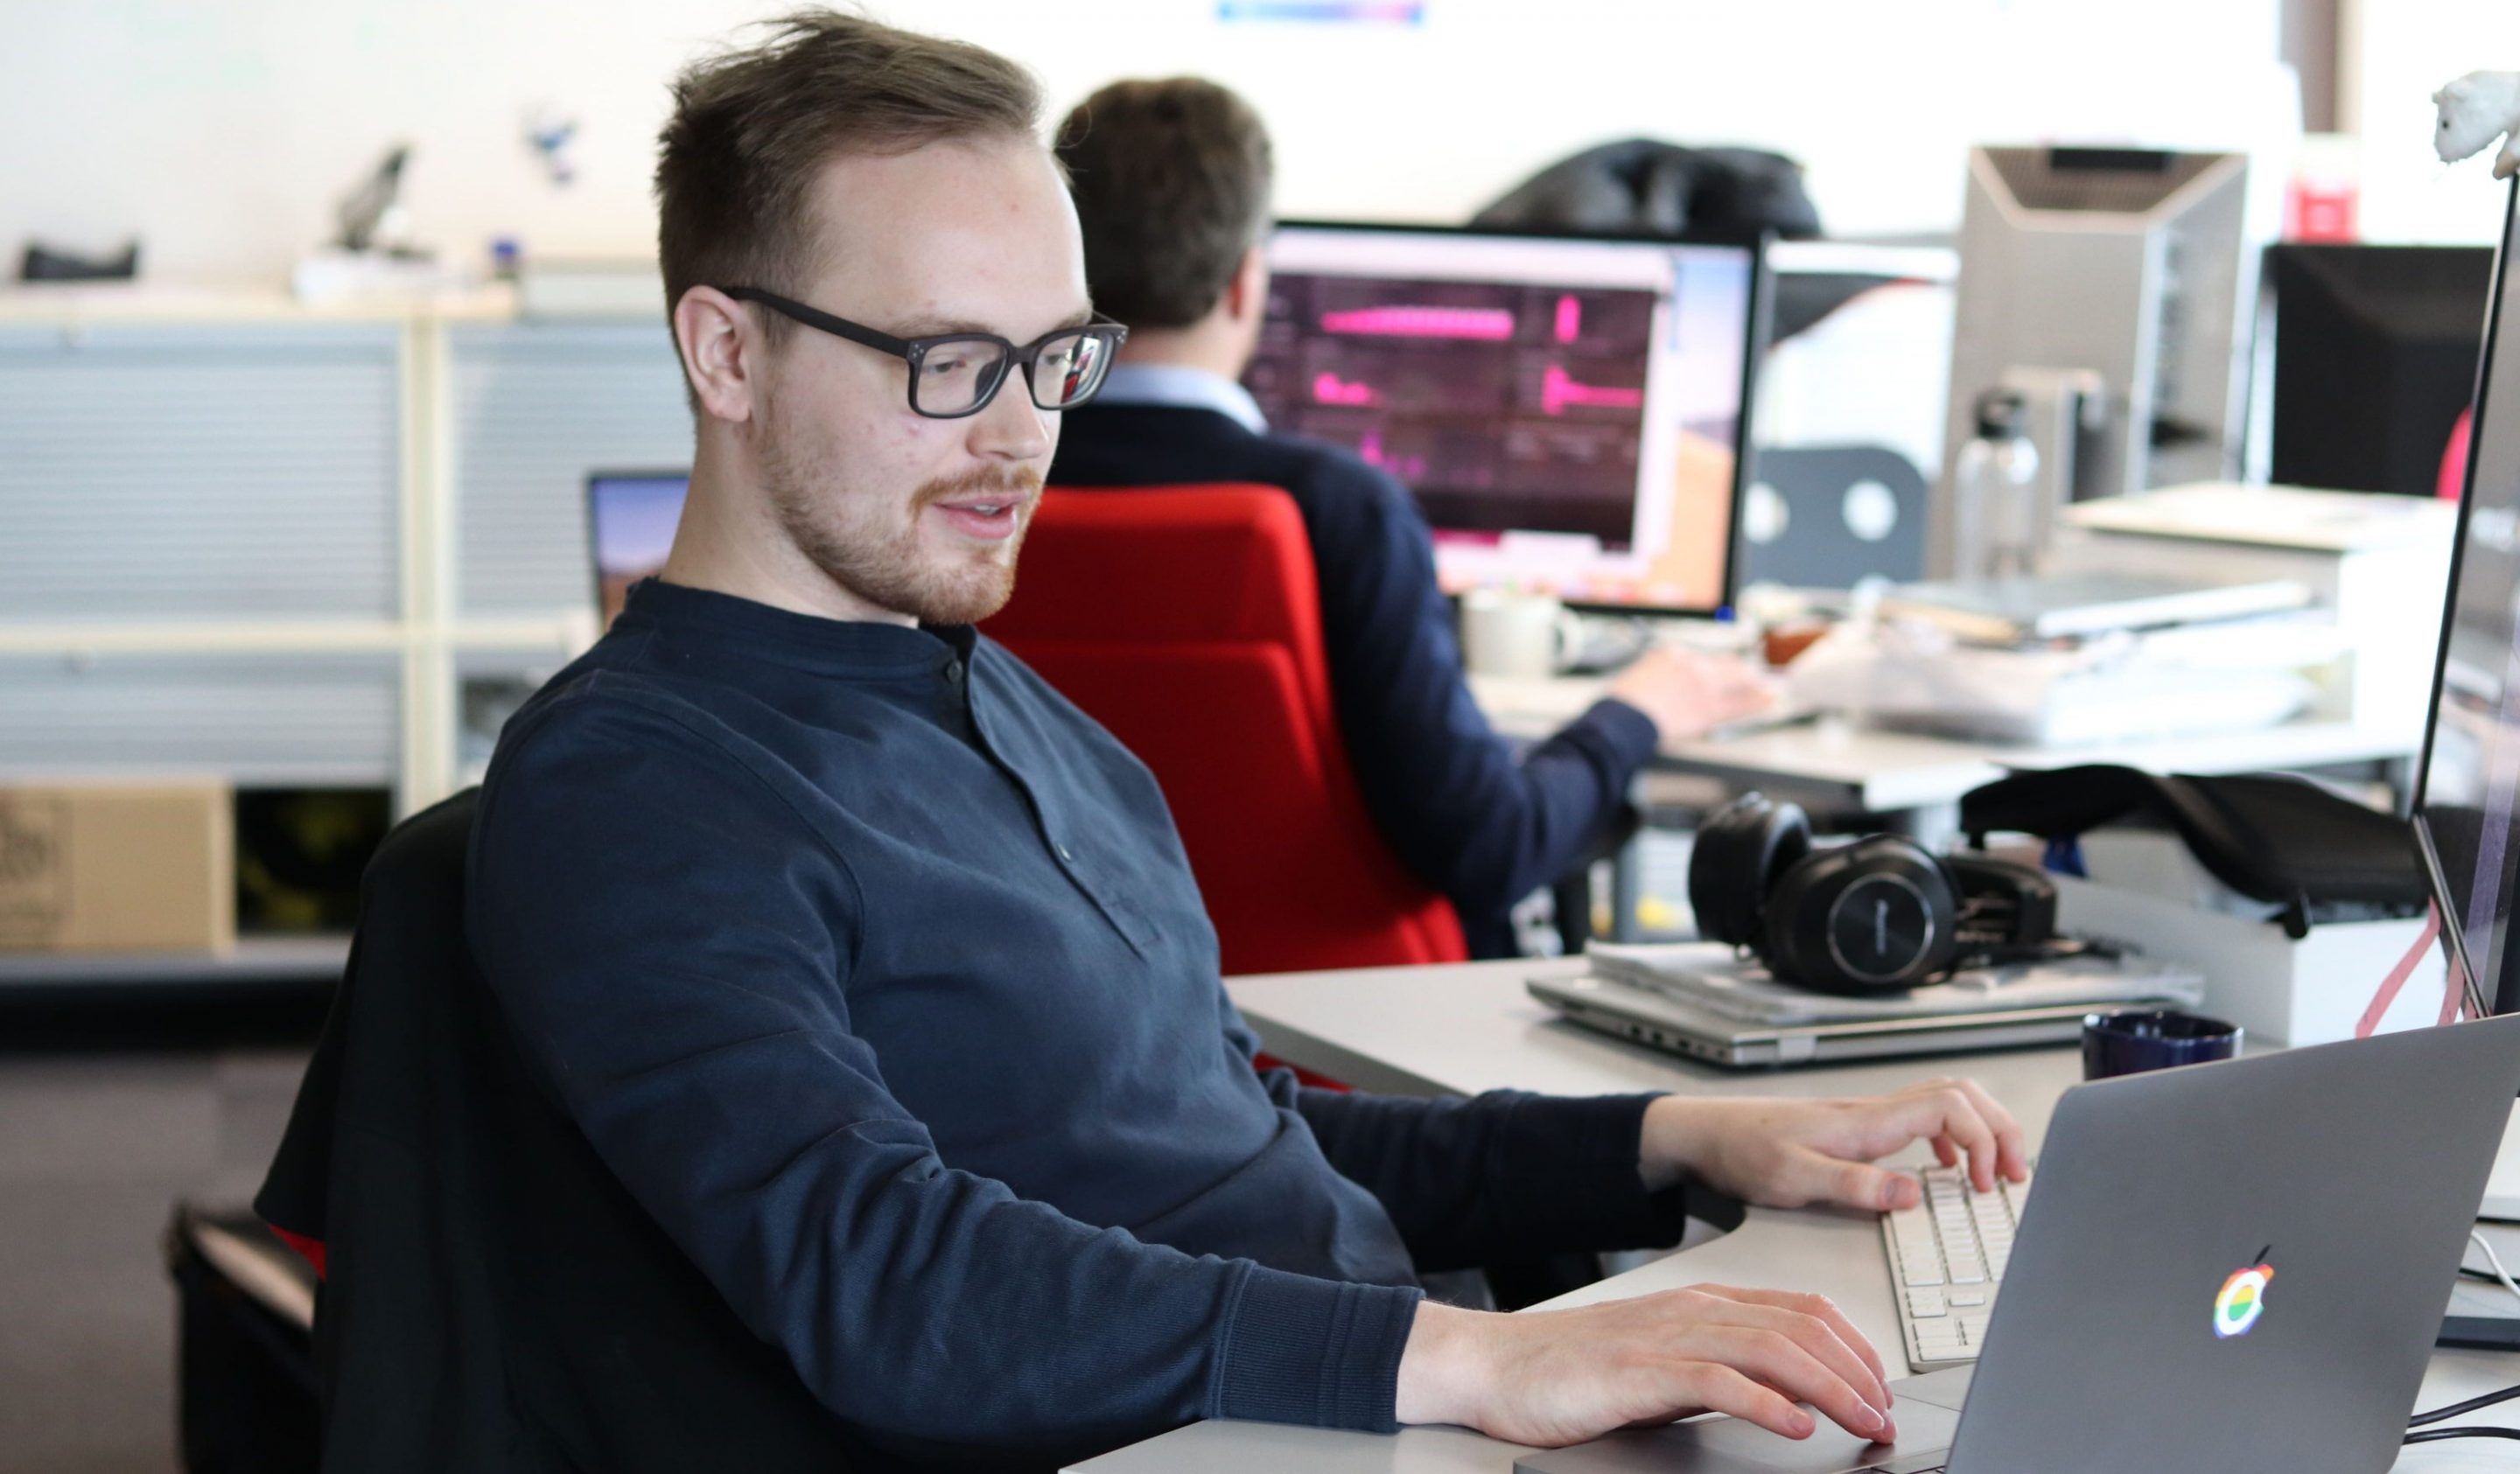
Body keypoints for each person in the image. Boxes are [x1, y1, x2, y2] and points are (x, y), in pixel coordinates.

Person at [452, 13, 2026, 1470]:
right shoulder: (639, 786)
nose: (1021, 437)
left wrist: (1686, 1139)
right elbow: (882, 1276)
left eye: (1056, 357)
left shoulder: (1004, 707)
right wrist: (1467, 1362)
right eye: (947, 363)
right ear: (728, 354)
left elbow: (1237, 1134)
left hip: (1358, 1398)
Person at [1047, 78, 1774, 957]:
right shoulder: (1338, 509)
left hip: (1088, 997)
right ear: (1247, 283)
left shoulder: (992, 481)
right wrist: (1635, 712)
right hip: (1356, 1019)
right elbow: (1489, 846)